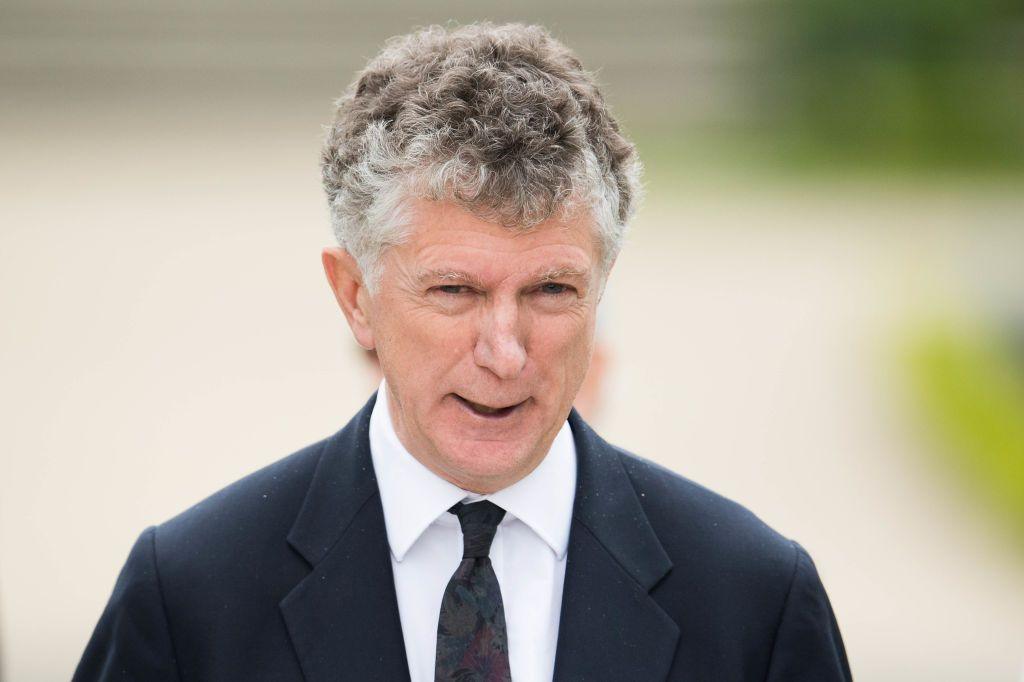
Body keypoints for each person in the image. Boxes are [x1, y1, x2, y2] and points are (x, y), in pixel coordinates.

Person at [73, 22, 852, 681]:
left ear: (603, 286)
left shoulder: (755, 604)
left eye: (551, 290)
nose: (506, 353)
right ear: (354, 297)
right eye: (455, 292)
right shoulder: (190, 598)